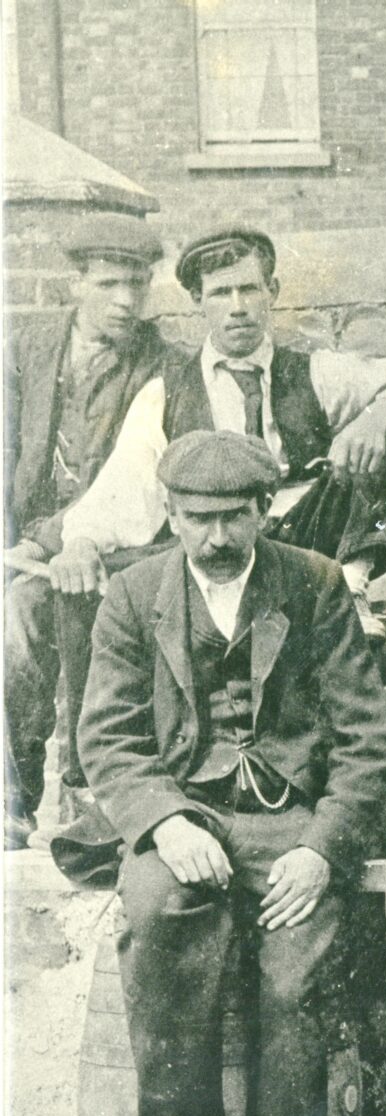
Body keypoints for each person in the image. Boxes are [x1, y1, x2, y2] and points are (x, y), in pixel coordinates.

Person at [76, 431, 386, 1116]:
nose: (216, 537)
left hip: (291, 824)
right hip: (188, 814)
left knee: (299, 967)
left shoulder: (314, 585)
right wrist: (165, 822)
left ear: (264, 510)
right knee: (155, 908)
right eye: (197, 518)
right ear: (172, 514)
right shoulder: (134, 593)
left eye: (233, 517)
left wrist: (323, 848)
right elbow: (108, 737)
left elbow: (365, 739)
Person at [54, 224, 386, 636]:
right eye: (220, 293)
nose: (238, 307)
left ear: (273, 291)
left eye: (249, 290)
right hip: (216, 544)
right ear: (198, 300)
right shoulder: (166, 394)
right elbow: (123, 486)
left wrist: (377, 417)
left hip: (305, 542)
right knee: (86, 589)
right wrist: (81, 542)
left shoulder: (317, 373)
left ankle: (350, 584)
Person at [4, 213, 178, 844]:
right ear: (74, 282)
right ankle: (14, 796)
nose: (126, 300)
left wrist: (56, 541)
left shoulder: (162, 362)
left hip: (114, 548)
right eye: (109, 284)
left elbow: (133, 483)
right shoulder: (27, 348)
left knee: (28, 615)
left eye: (138, 284)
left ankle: (79, 793)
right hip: (26, 542)